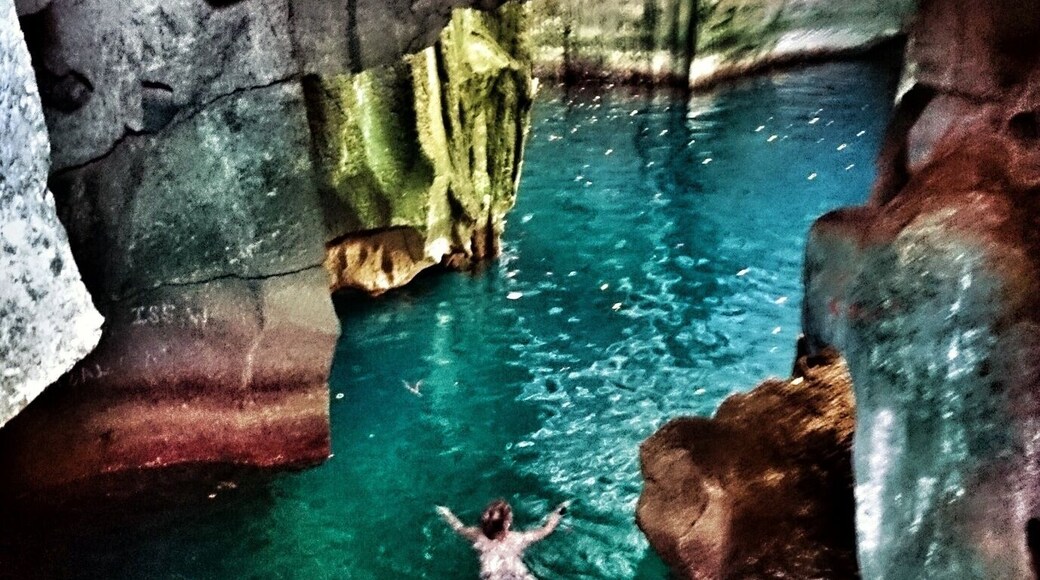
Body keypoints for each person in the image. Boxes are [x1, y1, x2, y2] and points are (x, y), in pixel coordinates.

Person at [435, 499, 570, 580]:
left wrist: (446, 513)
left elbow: (458, 528)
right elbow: (547, 529)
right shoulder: (519, 539)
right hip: (520, 576)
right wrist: (559, 511)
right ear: (506, 524)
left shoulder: (476, 535)